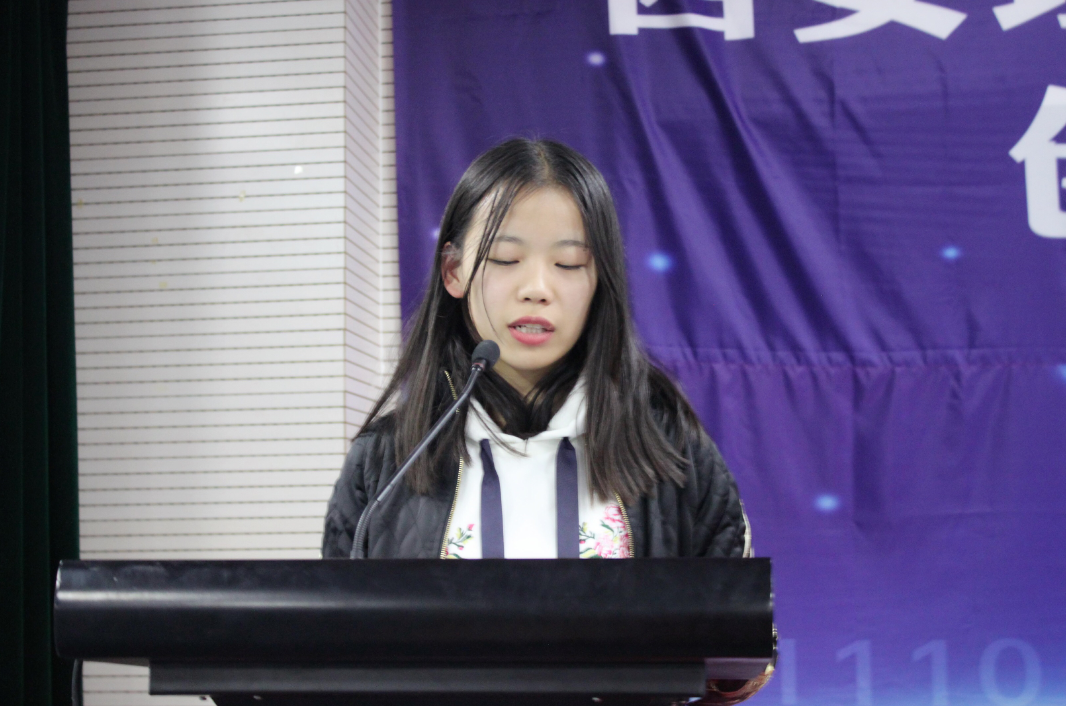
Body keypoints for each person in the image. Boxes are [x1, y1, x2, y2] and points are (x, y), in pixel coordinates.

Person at [321, 138, 770, 703]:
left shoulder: (669, 446)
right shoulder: (386, 459)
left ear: (599, 280)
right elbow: (336, 657)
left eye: (569, 264)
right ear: (454, 271)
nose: (537, 289)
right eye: (506, 260)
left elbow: (737, 662)